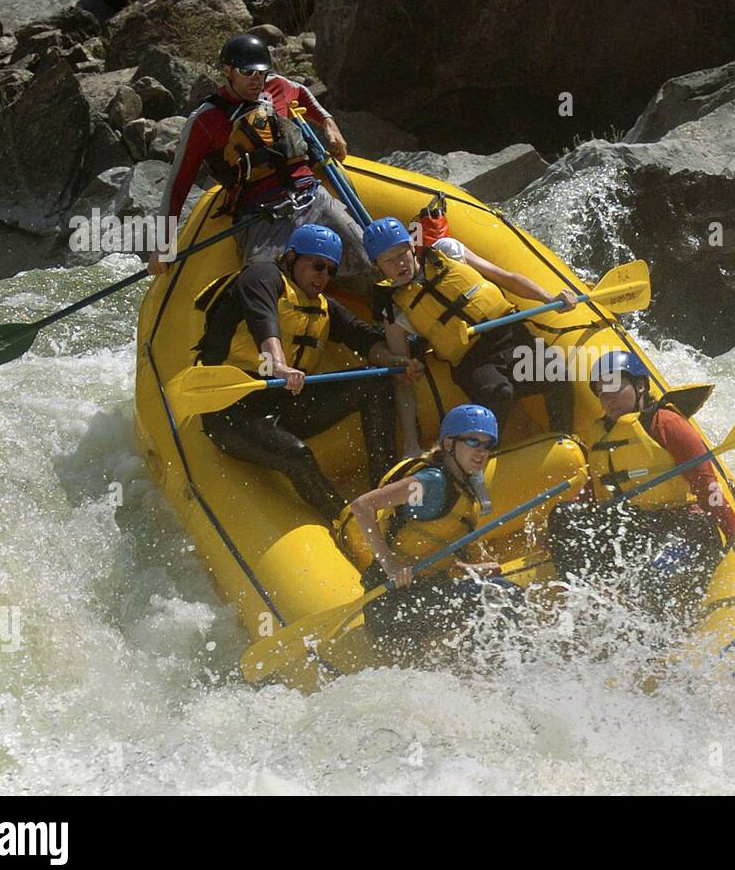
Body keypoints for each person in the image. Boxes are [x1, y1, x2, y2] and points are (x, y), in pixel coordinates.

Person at [194, 224, 418, 521]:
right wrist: (278, 363)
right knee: (297, 455)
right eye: (317, 265)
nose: (322, 276)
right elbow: (263, 318)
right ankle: (345, 521)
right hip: (231, 413)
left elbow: (361, 335)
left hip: (284, 408)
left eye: (329, 271)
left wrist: (394, 360)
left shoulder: (324, 307)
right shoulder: (262, 277)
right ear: (291, 258)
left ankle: (386, 491)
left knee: (375, 383)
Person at [547, 351, 735, 614]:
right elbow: (597, 485)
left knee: (651, 577)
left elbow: (709, 490)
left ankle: (653, 627)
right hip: (637, 524)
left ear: (640, 386)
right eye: (601, 392)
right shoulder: (603, 432)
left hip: (687, 527)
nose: (607, 399)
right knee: (565, 516)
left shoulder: (667, 424)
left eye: (614, 387)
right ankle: (586, 599)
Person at [152, 33, 368, 282]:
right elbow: (178, 183)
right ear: (227, 70)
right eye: (247, 72)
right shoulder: (204, 120)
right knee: (261, 288)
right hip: (261, 217)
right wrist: (164, 242)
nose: (257, 79)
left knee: (371, 260)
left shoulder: (276, 86)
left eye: (261, 72)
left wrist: (328, 123)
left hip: (311, 198)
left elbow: (301, 92)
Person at [361, 212, 578, 454]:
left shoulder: (448, 250)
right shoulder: (394, 308)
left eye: (402, 253)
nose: (399, 264)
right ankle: (486, 461)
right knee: (499, 393)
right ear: (376, 266)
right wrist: (410, 442)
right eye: (388, 260)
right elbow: (403, 379)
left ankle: (565, 442)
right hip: (471, 360)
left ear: (412, 246)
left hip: (509, 334)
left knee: (557, 374)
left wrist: (548, 298)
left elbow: (505, 278)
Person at [338, 403, 519, 657]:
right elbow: (362, 505)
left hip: (424, 593)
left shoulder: (463, 487)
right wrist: (390, 564)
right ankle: (492, 670)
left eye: (487, 445)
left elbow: (433, 549)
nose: (481, 452)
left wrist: (468, 570)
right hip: (390, 604)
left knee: (502, 589)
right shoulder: (431, 482)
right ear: (448, 444)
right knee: (501, 595)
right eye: (472, 441)